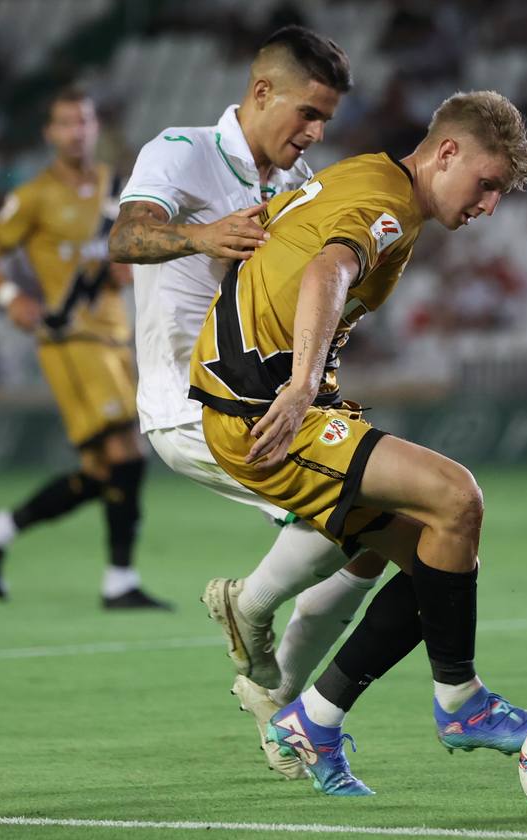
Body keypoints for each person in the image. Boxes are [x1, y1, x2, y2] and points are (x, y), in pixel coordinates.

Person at [190, 90, 527, 796]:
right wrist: (298, 386)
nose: (488, 206)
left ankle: (313, 720)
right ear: (447, 153)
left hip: (255, 396)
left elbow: (282, 256)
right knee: (457, 496)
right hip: (260, 409)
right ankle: (462, 703)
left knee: (435, 559)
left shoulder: (365, 177)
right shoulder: (388, 202)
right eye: (487, 184)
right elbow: (328, 270)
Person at [108, 26, 385, 778]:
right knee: (371, 502)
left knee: (373, 537)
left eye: (325, 118)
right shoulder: (182, 149)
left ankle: (280, 699)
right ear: (261, 93)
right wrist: (200, 236)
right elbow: (125, 235)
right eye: (306, 112)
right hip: (188, 402)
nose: (316, 131)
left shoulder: (303, 184)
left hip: (262, 401)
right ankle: (255, 624)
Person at [0, 87, 169, 610]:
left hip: (115, 334)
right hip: (70, 339)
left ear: (94, 127)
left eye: (84, 121)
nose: (76, 132)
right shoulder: (32, 196)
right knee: (127, 452)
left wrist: (127, 269)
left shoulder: (115, 189)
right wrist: (12, 297)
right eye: (66, 123)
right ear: (49, 134)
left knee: (105, 472)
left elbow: (122, 263)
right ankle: (119, 581)